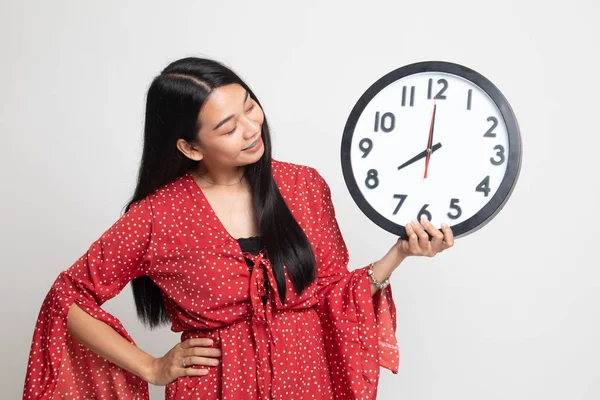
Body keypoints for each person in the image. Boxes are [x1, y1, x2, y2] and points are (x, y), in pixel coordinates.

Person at [22, 57, 454, 400]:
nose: (252, 128)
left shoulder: (304, 186)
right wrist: (151, 367)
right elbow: (68, 298)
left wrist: (399, 254)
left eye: (249, 107)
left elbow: (333, 298)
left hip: (310, 385)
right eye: (228, 127)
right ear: (189, 147)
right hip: (212, 389)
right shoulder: (157, 215)